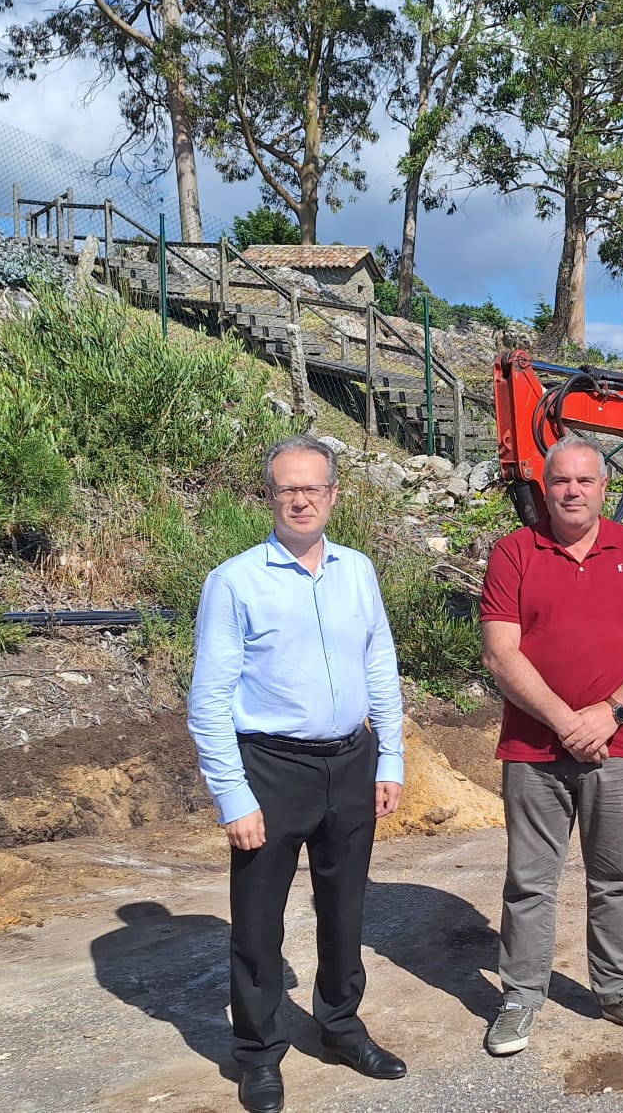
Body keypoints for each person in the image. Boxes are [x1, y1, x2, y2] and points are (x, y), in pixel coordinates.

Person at [186, 434, 407, 1113]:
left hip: (351, 761)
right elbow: (208, 699)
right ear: (269, 496)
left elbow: (379, 666)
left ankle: (340, 1026)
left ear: (335, 495)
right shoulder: (234, 581)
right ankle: (257, 1053)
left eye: (314, 487)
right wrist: (232, 795)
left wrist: (390, 756)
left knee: (345, 910)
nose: (301, 498)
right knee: (257, 925)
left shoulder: (358, 572)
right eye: (288, 488)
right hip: (271, 770)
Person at [477, 436, 623, 1058]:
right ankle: (520, 996)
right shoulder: (515, 552)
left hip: (622, 747)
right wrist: (568, 720)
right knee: (530, 882)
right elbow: (499, 652)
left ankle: (619, 991)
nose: (572, 491)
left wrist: (610, 713)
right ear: (546, 487)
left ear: (601, 488)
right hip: (533, 752)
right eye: (561, 481)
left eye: (584, 481)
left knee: (614, 877)